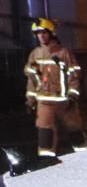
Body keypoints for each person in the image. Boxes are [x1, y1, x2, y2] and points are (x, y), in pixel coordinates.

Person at [24, 18, 83, 158]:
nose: (41, 36)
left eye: (44, 32)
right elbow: (32, 80)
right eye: (38, 33)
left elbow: (74, 75)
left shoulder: (64, 53)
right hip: (44, 102)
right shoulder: (35, 54)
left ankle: (84, 157)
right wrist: (30, 100)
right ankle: (46, 162)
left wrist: (73, 96)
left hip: (65, 101)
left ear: (52, 34)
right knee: (45, 133)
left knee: (75, 130)